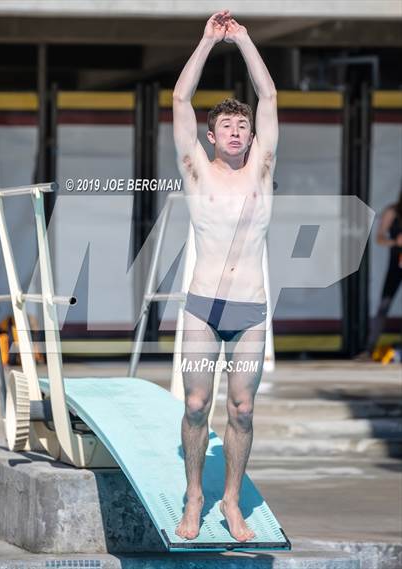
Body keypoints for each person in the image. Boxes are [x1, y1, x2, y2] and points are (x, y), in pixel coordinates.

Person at [172, 11, 278, 542]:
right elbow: (179, 100)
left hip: (250, 312)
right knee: (196, 405)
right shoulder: (195, 170)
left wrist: (245, 39)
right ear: (211, 136)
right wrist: (208, 41)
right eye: (227, 126)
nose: (236, 132)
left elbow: (270, 95)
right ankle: (195, 496)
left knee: (241, 409)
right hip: (202, 310)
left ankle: (232, 502)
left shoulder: (261, 167)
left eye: (244, 126)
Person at [357, 187, 402, 360]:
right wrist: (394, 241)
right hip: (396, 265)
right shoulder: (393, 211)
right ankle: (369, 348)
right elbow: (379, 237)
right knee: (384, 305)